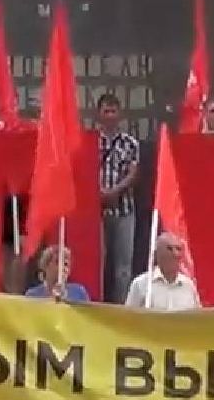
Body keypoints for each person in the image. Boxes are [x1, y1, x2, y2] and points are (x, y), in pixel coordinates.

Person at [96, 93, 142, 302]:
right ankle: (97, 304)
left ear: (120, 114)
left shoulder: (130, 143)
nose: (110, 115)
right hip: (96, 211)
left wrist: (114, 191)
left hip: (124, 210)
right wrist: (98, 193)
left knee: (123, 265)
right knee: (98, 262)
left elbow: (134, 173)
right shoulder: (90, 141)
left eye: (114, 110)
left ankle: (122, 306)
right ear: (99, 114)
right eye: (106, 110)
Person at [125, 233, 200, 311]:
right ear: (157, 254)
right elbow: (128, 318)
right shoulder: (141, 284)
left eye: (179, 249)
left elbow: (198, 319)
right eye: (169, 248)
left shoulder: (189, 286)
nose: (175, 254)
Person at [25, 245, 91, 302]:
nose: (62, 267)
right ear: (45, 266)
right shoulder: (32, 295)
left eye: (66, 264)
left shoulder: (79, 292)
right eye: (57, 262)